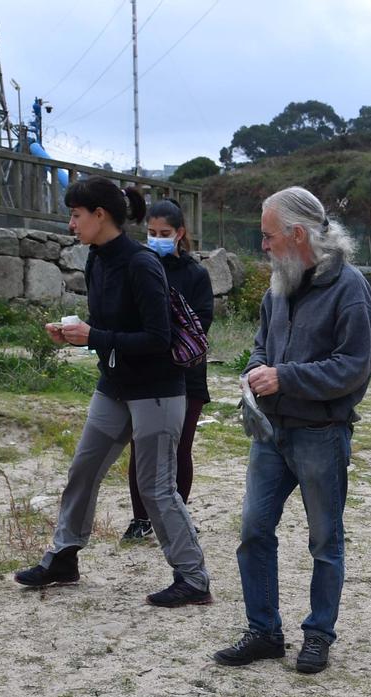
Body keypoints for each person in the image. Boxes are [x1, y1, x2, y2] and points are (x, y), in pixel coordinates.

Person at [13, 179, 212, 608]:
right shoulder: (97, 260)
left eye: (76, 215)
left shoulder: (141, 264)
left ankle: (193, 578)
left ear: (99, 215)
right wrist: (75, 336)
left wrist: (93, 336)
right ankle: (63, 558)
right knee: (83, 470)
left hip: (157, 390)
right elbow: (108, 329)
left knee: (156, 487)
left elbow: (158, 338)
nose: (71, 224)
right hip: (115, 386)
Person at [213, 186, 371, 677]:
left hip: (320, 434)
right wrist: (257, 370)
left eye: (268, 236)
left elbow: (354, 367)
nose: (262, 245)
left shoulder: (350, 289)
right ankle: (264, 631)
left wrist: (286, 377)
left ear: (297, 234)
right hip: (271, 434)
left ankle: (318, 635)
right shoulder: (278, 285)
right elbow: (262, 344)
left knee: (325, 541)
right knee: (253, 531)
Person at [122, 198, 215, 545]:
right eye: (151, 232)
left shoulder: (195, 275)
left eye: (164, 233)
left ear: (180, 234)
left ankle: (177, 516)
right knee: (141, 448)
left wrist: (163, 335)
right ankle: (140, 519)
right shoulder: (138, 266)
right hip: (143, 373)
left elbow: (201, 322)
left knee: (180, 449)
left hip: (186, 373)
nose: (157, 238)